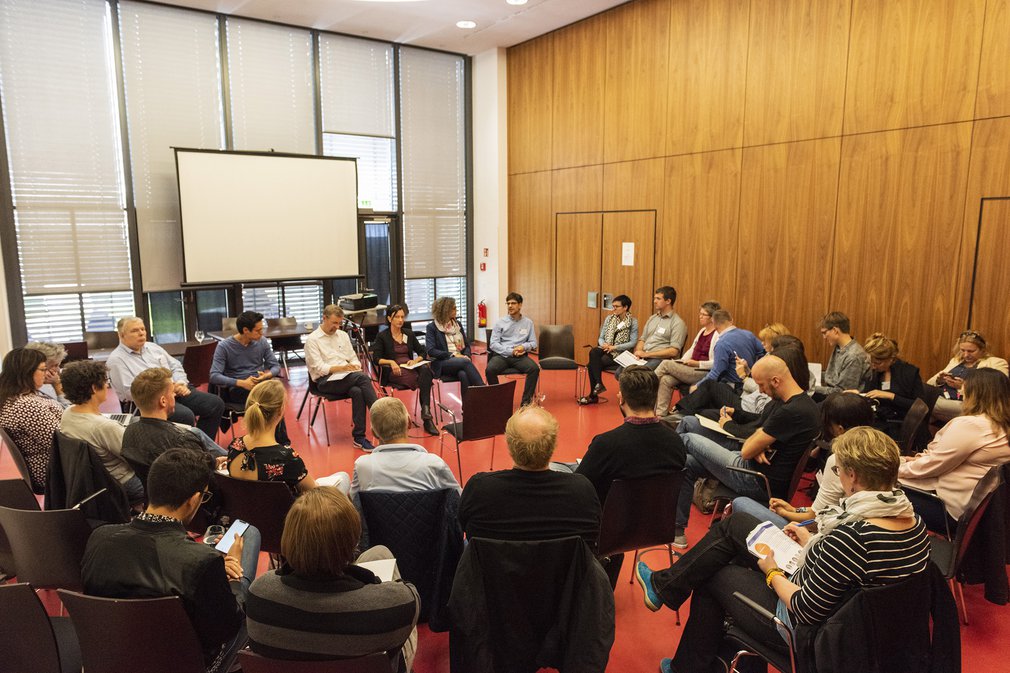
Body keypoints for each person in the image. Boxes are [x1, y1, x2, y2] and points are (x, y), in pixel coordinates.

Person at [635, 427, 929, 673]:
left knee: (715, 575)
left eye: (838, 470)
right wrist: (809, 541)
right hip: (871, 634)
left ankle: (687, 663)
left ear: (852, 475)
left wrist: (772, 571)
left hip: (815, 636)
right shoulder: (912, 521)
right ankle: (668, 594)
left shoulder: (851, 537)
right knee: (737, 525)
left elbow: (804, 608)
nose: (838, 476)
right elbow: (849, 570)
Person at [82, 449, 262, 673]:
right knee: (249, 538)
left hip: (115, 658)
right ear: (194, 500)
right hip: (189, 664)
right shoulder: (201, 561)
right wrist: (233, 572)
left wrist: (212, 570)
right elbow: (227, 627)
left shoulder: (99, 538)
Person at [245, 487, 420, 671]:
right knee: (382, 555)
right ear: (353, 543)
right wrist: (369, 582)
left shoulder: (259, 593)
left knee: (378, 553)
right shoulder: (399, 602)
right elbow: (409, 595)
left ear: (289, 538)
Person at [673, 353, 819, 546]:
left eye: (761, 385)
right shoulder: (803, 404)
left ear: (775, 381)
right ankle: (677, 531)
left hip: (755, 479)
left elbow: (747, 450)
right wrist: (761, 442)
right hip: (758, 472)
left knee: (687, 438)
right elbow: (761, 432)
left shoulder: (790, 411)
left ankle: (654, 477)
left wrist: (758, 443)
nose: (761, 391)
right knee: (687, 463)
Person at [575, 366, 686, 583]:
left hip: (610, 529)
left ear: (622, 398)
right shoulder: (676, 442)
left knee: (563, 470)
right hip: (655, 525)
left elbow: (579, 488)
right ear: (655, 398)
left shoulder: (606, 444)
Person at [459, 406, 601, 548]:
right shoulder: (582, 491)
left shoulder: (479, 489)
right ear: (553, 445)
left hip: (492, 562)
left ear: (510, 445)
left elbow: (463, 527)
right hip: (565, 563)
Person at [731, 392, 875, 529]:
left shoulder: (840, 460)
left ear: (840, 430)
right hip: (846, 526)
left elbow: (815, 520)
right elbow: (824, 510)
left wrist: (785, 513)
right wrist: (794, 509)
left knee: (740, 503)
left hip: (828, 533)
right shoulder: (880, 453)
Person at [900, 368, 1010, 533]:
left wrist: (891, 470)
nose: (961, 392)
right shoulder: (1001, 425)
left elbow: (933, 466)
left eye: (964, 386)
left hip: (949, 510)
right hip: (981, 515)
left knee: (875, 491)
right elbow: (947, 461)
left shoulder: (972, 425)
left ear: (976, 392)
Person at [107, 317, 226, 440]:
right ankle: (186, 449)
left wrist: (181, 383)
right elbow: (130, 391)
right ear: (121, 335)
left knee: (215, 404)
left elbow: (175, 366)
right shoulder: (116, 360)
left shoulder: (153, 347)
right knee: (185, 416)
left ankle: (200, 445)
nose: (141, 333)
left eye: (143, 329)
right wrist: (168, 389)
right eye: (135, 330)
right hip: (148, 402)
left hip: (175, 390)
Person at [227, 380, 349, 495]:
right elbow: (315, 492)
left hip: (245, 509)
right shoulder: (286, 458)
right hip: (283, 511)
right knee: (343, 477)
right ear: (280, 412)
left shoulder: (235, 446)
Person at [122, 367, 227, 487]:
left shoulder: (128, 432)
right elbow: (204, 477)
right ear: (163, 401)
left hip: (154, 494)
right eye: (173, 392)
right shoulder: (182, 440)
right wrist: (216, 462)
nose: (174, 395)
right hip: (189, 495)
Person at [59, 359, 145, 504]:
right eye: (106, 381)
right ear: (94, 388)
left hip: (94, 482)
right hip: (123, 483)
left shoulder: (68, 413)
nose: (107, 385)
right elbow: (137, 458)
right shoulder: (104, 427)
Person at [350, 397, 461, 497]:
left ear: (373, 432)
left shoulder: (362, 466)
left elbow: (353, 503)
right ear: (409, 423)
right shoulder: (434, 464)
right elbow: (459, 499)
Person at [304, 304, 378, 451]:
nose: (337, 327)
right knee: (363, 378)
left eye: (339, 323)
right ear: (324, 318)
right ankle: (381, 418)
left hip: (347, 376)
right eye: (334, 323)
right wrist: (341, 368)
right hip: (325, 381)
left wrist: (354, 366)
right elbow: (319, 368)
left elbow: (353, 358)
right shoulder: (312, 340)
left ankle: (359, 438)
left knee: (357, 391)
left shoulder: (342, 335)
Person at [210, 310, 288, 443]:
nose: (261, 333)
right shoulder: (224, 347)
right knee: (270, 399)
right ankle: (280, 443)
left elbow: (275, 366)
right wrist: (241, 383)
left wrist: (266, 375)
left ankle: (278, 442)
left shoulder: (262, 342)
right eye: (258, 330)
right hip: (237, 390)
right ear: (246, 330)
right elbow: (214, 376)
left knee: (273, 395)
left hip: (258, 384)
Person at [0, 347, 63, 493]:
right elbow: (61, 443)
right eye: (43, 369)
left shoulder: (14, 397)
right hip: (53, 470)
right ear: (27, 372)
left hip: (49, 465)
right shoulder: (26, 406)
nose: (46, 373)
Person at [371, 304, 438, 436]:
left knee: (425, 370)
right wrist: (391, 362)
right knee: (425, 378)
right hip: (394, 370)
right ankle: (427, 418)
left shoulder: (408, 333)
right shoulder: (382, 336)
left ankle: (426, 415)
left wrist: (416, 361)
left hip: (410, 366)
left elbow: (422, 352)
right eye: (397, 317)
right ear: (389, 318)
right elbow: (376, 359)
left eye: (402, 317)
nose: (401, 320)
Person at [650, 301, 720, 413]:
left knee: (665, 363)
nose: (700, 316)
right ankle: (660, 414)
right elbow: (692, 350)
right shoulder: (702, 331)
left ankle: (645, 386)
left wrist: (697, 363)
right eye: (700, 313)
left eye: (703, 314)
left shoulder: (717, 334)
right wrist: (682, 361)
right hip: (691, 368)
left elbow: (716, 363)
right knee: (665, 379)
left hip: (703, 371)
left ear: (712, 318)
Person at [928, 329, 1009, 423]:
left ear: (983, 349)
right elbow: (929, 383)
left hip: (969, 404)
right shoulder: (956, 361)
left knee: (925, 401)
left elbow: (999, 390)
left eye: (971, 351)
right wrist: (939, 380)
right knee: (923, 395)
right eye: (962, 350)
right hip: (943, 398)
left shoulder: (996, 363)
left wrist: (963, 386)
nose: (966, 355)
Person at [852, 332, 924, 435]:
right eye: (871, 363)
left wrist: (891, 396)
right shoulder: (875, 372)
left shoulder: (909, 373)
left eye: (877, 363)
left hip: (900, 425)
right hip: (880, 420)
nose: (873, 366)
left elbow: (920, 407)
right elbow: (870, 395)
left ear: (891, 359)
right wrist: (858, 394)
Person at [579, 294, 639, 405]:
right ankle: (599, 383)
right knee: (594, 351)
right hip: (606, 349)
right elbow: (601, 337)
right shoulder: (609, 319)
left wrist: (614, 347)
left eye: (617, 306)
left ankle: (593, 395)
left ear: (625, 307)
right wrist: (605, 345)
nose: (613, 309)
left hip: (620, 353)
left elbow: (633, 342)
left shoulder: (633, 322)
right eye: (613, 306)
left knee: (591, 365)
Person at [485, 292, 541, 407]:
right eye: (508, 303)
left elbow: (533, 343)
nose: (510, 306)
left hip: (520, 357)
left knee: (534, 369)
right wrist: (510, 351)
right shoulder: (500, 322)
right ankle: (498, 400)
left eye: (513, 303)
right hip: (502, 355)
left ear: (520, 305)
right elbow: (493, 344)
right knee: (490, 370)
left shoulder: (528, 323)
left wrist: (523, 347)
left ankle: (525, 403)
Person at [426, 295, 485, 398]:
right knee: (465, 362)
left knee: (463, 374)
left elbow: (467, 346)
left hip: (461, 362)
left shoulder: (457, 325)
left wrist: (467, 355)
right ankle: (484, 390)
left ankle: (467, 406)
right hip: (442, 362)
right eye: (453, 308)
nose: (456, 310)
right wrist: (452, 355)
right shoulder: (432, 327)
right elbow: (431, 350)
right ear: (446, 310)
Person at [811, 311, 871, 396]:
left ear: (835, 330)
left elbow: (842, 392)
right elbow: (831, 377)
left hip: (843, 400)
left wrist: (811, 387)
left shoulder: (854, 356)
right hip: (834, 396)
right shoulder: (839, 347)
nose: (824, 337)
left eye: (824, 333)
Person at [631, 286, 688, 370]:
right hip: (643, 356)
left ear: (668, 301)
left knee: (636, 372)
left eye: (658, 299)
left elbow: (673, 351)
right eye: (655, 298)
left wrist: (647, 354)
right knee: (620, 371)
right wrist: (639, 352)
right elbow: (642, 340)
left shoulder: (678, 323)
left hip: (660, 359)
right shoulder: (652, 318)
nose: (655, 301)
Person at [24, 341, 70, 406]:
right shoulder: (30, 391)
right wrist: (57, 385)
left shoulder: (50, 383)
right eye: (54, 365)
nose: (58, 369)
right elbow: (67, 410)